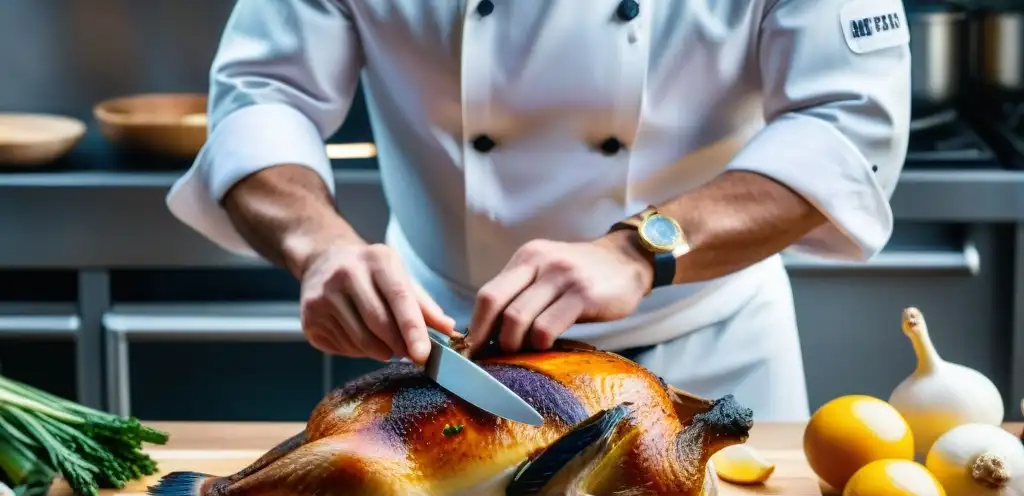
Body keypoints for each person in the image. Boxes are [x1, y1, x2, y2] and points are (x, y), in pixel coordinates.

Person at [166, 0, 911, 421]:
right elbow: (263, 95)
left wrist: (641, 248)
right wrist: (321, 248)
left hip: (709, 354)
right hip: (442, 354)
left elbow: (847, 123)